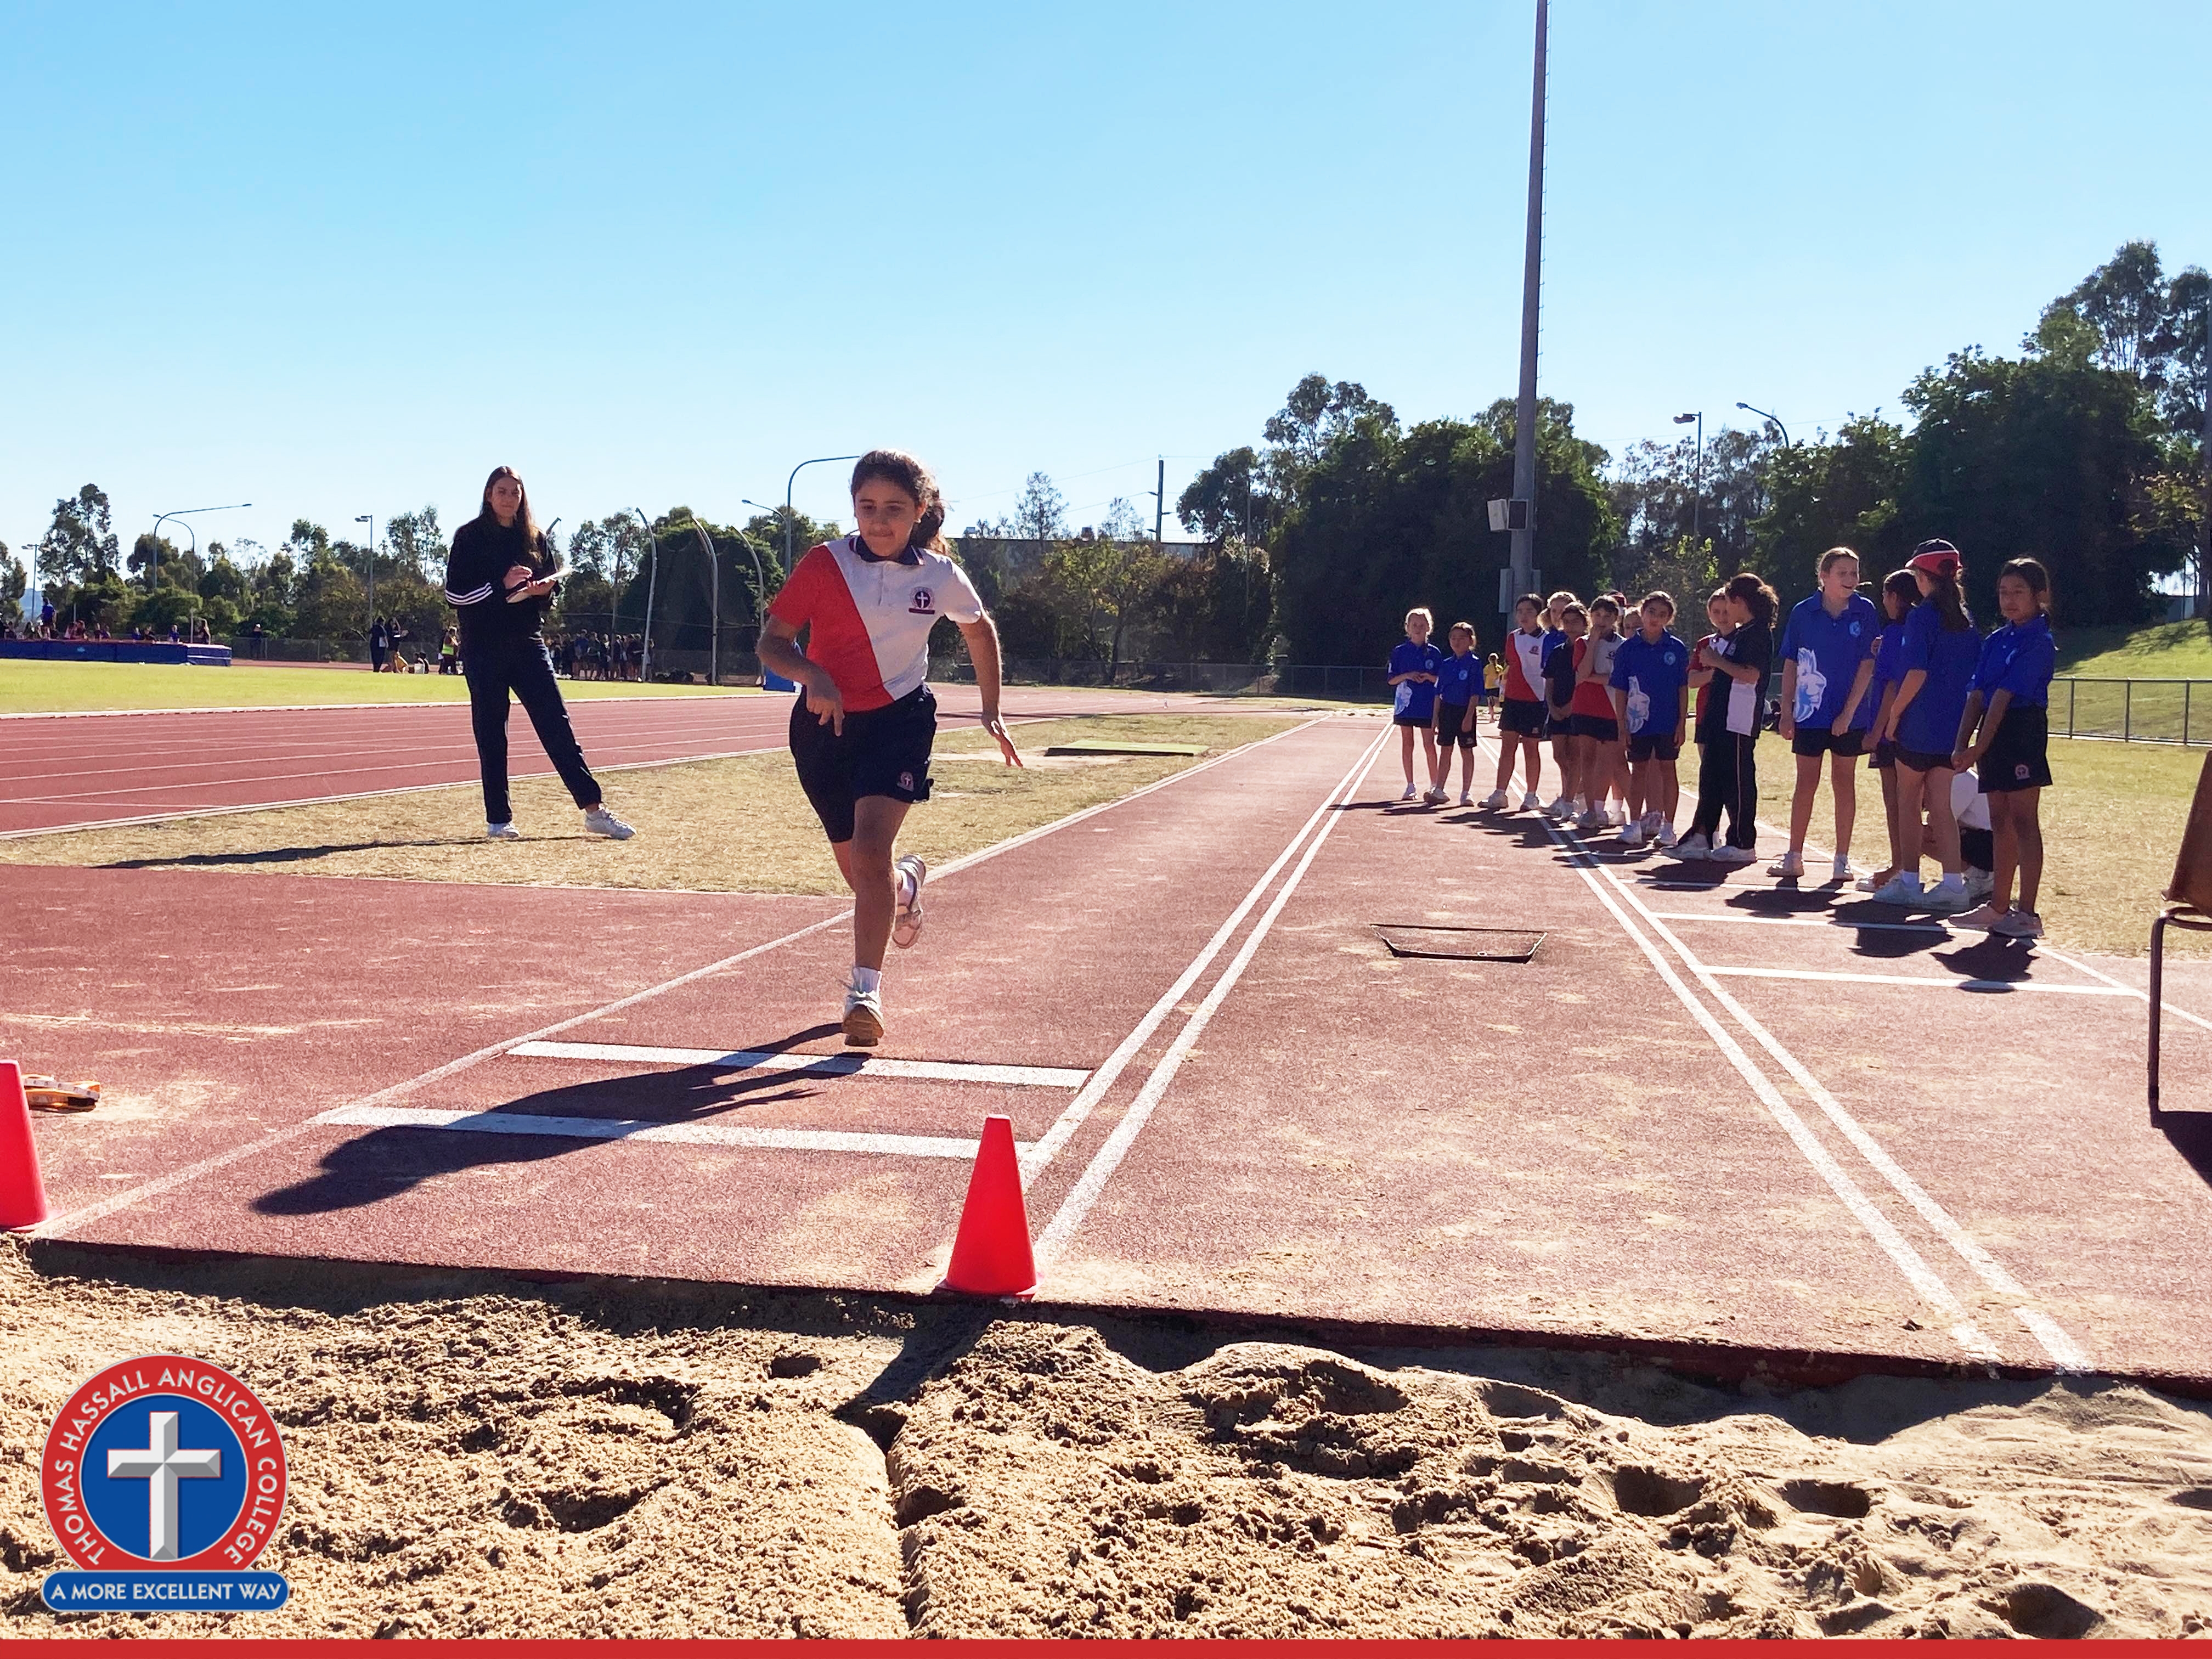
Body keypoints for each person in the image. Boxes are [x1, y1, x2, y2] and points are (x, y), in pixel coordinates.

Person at [757, 449, 1022, 1048]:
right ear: (853, 508)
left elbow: (979, 630)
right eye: (867, 507)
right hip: (824, 727)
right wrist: (813, 676)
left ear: (919, 512)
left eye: (894, 510)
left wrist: (991, 708)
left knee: (872, 850)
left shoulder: (939, 576)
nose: (879, 521)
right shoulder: (823, 565)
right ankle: (907, 887)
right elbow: (772, 644)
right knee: (862, 873)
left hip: (900, 721)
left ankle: (865, 994)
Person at [444, 465, 636, 844]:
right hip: (484, 646)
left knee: (557, 725)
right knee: (491, 732)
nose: (508, 498)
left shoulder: (534, 537)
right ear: (488, 495)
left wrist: (542, 590)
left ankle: (594, 811)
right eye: (501, 491)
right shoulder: (469, 537)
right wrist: (501, 587)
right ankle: (498, 820)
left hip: (528, 643)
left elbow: (550, 590)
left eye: (515, 492)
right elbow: (455, 594)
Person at [1867, 540, 1980, 911]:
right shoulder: (1965, 619)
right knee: (1942, 808)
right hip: (1951, 726)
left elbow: (1916, 672)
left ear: (1921, 576)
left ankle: (1910, 880)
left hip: (1920, 723)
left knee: (1908, 802)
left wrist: (1895, 715)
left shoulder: (1921, 617)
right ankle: (1953, 884)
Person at [1950, 557, 2056, 938]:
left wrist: (1976, 750)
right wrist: (1960, 744)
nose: (2010, 600)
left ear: (2039, 596)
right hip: (1990, 732)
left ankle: (2027, 913)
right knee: (1999, 820)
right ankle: (1998, 907)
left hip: (2020, 729)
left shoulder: (2039, 640)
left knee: (2023, 819)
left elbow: (2004, 698)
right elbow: (1978, 694)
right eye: (2003, 592)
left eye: (2019, 592)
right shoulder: (1997, 639)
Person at [1771, 548, 1880, 882]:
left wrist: (1848, 713)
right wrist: (1787, 711)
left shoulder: (1865, 611)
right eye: (1843, 573)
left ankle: (1842, 859)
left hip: (1851, 712)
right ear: (1824, 576)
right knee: (1806, 782)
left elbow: (1868, 664)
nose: (1850, 580)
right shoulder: (1803, 612)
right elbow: (1790, 662)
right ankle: (1794, 856)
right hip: (1809, 712)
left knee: (1844, 782)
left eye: (1854, 573)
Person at [1672, 572, 1775, 865]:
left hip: (1739, 720)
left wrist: (1717, 662)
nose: (1726, 611)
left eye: (1728, 603)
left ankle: (1743, 842)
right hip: (1719, 718)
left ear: (1739, 602)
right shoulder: (1742, 632)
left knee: (1738, 780)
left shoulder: (1757, 633)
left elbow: (1751, 674)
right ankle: (1701, 836)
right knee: (1711, 778)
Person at [1856, 569, 1923, 894]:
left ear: (1896, 597)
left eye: (1885, 595)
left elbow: (1892, 687)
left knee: (1897, 801)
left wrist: (1878, 731)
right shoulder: (1905, 632)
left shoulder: (1898, 634)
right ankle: (1901, 864)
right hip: (1906, 728)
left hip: (1891, 732)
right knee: (1902, 800)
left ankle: (1902, 866)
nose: (1883, 601)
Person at [1609, 591, 1691, 848]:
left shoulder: (1676, 648)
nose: (1656, 618)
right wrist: (1622, 725)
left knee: (1668, 770)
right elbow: (1620, 689)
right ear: (1642, 613)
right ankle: (1634, 825)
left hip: (1667, 722)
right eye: (1651, 612)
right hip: (1637, 723)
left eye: (1662, 614)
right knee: (1639, 771)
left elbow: (1682, 688)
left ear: (1670, 618)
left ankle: (1668, 828)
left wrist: (1681, 723)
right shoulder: (1628, 649)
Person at [1483, 592, 1549, 810]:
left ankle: (1531, 795)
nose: (1524, 615)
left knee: (1531, 747)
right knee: (1507, 746)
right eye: (1520, 611)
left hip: (1536, 700)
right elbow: (1512, 665)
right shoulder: (1513, 637)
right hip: (1513, 699)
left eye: (1529, 611)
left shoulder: (1546, 639)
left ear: (1539, 614)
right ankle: (1500, 793)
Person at [1570, 596, 1627, 830]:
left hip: (1613, 709)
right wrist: (1593, 642)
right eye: (1598, 616)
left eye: (1607, 617)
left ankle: (1601, 807)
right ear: (1591, 616)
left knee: (1608, 762)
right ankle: (1591, 811)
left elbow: (1617, 678)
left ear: (1616, 619)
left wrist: (1595, 678)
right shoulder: (1582, 643)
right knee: (1588, 759)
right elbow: (1581, 673)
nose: (1602, 621)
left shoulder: (1623, 645)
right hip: (1585, 708)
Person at [1387, 607, 1444, 802]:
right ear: (1408, 628)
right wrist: (1408, 675)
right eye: (1414, 625)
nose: (1418, 629)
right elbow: (1391, 680)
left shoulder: (1435, 653)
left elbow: (1441, 681)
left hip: (1427, 704)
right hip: (1406, 703)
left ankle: (1435, 785)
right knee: (1407, 743)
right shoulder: (1399, 652)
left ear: (1429, 627)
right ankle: (1410, 785)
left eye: (1422, 625)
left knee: (1429, 744)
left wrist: (1429, 678)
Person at [1541, 602, 1588, 819]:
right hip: (1557, 709)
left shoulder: (1587, 650)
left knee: (1576, 756)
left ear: (1585, 623)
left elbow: (1584, 680)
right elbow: (1549, 682)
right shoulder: (1557, 652)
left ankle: (1569, 801)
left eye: (1575, 622)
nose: (1570, 626)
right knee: (1560, 756)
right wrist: (1552, 706)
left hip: (1578, 710)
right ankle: (1571, 792)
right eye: (1566, 622)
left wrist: (1572, 706)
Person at [1429, 622, 1482, 805]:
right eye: (1453, 638)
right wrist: (1435, 718)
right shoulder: (1445, 664)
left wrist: (1468, 717)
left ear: (1470, 640)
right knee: (1446, 750)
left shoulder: (1474, 664)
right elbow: (1438, 693)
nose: (1457, 642)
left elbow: (1475, 694)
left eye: (1461, 638)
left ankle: (1466, 792)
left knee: (1467, 751)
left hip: (1465, 710)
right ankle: (1439, 789)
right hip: (1447, 711)